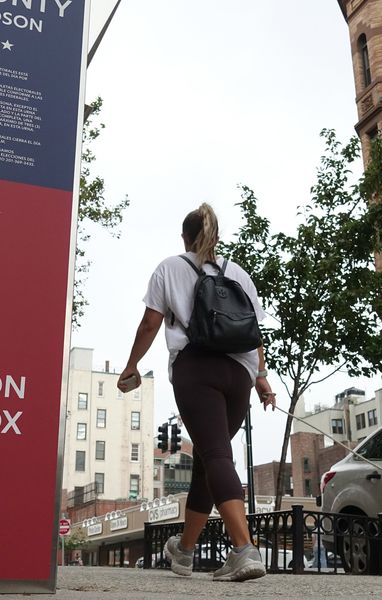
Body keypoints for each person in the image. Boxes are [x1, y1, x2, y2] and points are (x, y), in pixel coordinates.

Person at [117, 203, 276, 582]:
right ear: (216, 238)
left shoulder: (170, 267)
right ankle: (184, 551)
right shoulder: (238, 273)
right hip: (239, 374)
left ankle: (244, 549)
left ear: (184, 237)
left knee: (216, 453)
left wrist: (131, 365)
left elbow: (150, 323)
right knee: (207, 461)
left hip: (196, 369)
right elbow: (254, 332)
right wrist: (261, 377)